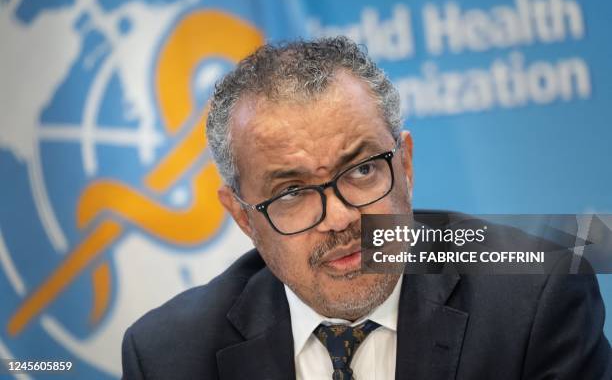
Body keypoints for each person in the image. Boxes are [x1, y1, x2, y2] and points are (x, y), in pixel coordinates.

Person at [121, 37, 611, 379]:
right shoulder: (168, 356)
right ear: (244, 217)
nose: (341, 218)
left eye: (361, 172)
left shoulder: (537, 295)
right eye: (291, 193)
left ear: (407, 165)